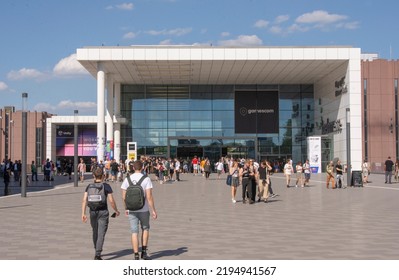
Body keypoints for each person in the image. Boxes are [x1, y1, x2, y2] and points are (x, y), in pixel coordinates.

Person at [81, 166, 120, 260]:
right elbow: (111, 201)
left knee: (95, 231)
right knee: (101, 233)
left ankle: (96, 249)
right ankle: (97, 254)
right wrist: (116, 210)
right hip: (103, 212)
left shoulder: (89, 186)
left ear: (93, 176)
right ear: (103, 176)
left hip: (92, 212)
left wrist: (83, 213)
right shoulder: (106, 186)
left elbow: (84, 200)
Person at [121, 160, 157, 260]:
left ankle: (136, 255)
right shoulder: (146, 179)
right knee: (145, 229)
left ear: (133, 168)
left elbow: (123, 197)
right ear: (142, 168)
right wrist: (153, 210)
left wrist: (126, 208)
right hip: (144, 209)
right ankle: (144, 253)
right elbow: (149, 197)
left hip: (131, 209)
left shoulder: (127, 179)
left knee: (134, 232)